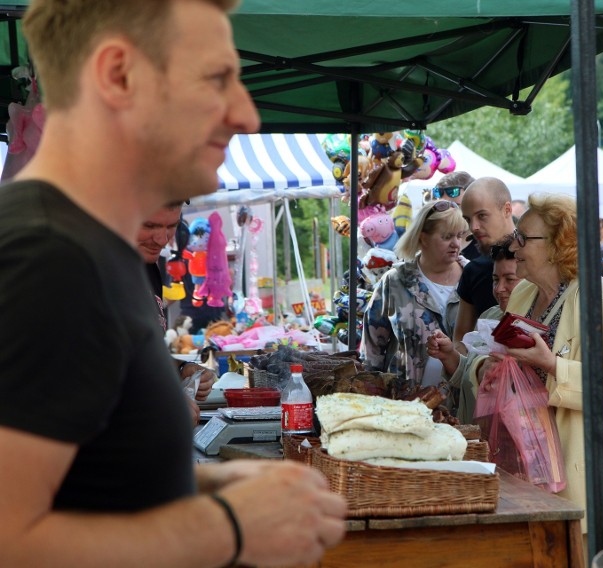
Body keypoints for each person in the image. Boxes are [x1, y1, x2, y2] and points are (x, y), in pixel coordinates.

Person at [0, 2, 346, 567]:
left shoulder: (81, 245)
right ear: (117, 76)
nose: (245, 115)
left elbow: (80, 486)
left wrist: (205, 487)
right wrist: (229, 526)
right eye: (216, 79)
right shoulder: (51, 258)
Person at [470, 193, 603, 538]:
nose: (514, 248)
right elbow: (504, 361)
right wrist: (485, 369)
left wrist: (553, 366)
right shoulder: (523, 294)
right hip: (530, 468)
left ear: (558, 244)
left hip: (588, 484)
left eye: (523, 238)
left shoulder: (598, 297)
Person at [361, 200, 469, 402]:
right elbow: (372, 349)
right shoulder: (395, 281)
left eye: (459, 236)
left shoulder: (474, 278)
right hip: (405, 406)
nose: (456, 244)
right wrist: (370, 399)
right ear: (423, 238)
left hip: (463, 406)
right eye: (447, 237)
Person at [426, 236, 521, 423]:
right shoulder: (489, 316)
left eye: (510, 279)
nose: (499, 288)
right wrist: (449, 355)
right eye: (495, 279)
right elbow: (468, 376)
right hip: (475, 434)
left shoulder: (532, 327)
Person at [138, 205, 216, 420]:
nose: (162, 239)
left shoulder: (147, 266)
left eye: (171, 226)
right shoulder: (92, 272)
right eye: (150, 226)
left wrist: (181, 370)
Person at [454, 176, 516, 350]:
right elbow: (461, 341)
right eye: (467, 219)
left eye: (482, 216)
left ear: (507, 210)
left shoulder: (539, 259)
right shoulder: (474, 271)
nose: (473, 227)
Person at [427, 171, 479, 260]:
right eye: (442, 206)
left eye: (455, 206)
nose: (447, 213)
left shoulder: (487, 243)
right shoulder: (427, 239)